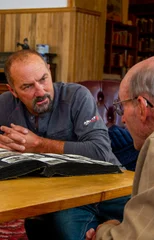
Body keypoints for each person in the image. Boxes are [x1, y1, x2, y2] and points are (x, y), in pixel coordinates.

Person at [0, 49, 130, 240]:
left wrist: (38, 144)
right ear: (13, 91)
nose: (40, 91)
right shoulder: (4, 105)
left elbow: (101, 151)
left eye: (43, 79)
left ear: (50, 71)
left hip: (110, 185)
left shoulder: (77, 96)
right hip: (67, 199)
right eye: (27, 86)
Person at [86, 55, 154, 240]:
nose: (123, 119)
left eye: (122, 107)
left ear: (142, 107)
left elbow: (143, 236)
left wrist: (105, 232)